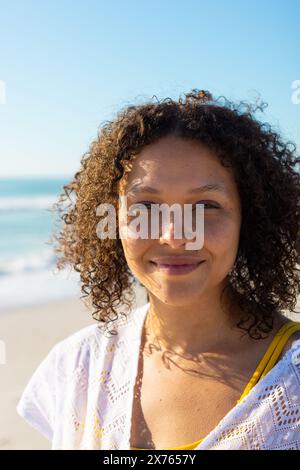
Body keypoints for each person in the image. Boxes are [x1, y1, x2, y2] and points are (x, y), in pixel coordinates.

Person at [16, 89, 300, 450]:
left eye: (206, 205)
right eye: (146, 206)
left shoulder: (292, 377)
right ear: (113, 219)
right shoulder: (77, 366)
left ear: (250, 218)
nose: (174, 236)